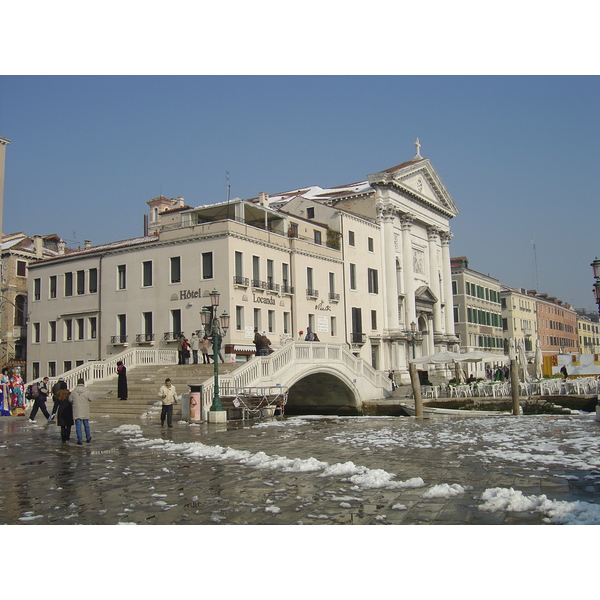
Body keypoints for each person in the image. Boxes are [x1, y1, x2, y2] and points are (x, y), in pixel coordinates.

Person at [69, 378, 93, 445]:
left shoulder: (74, 391)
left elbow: (70, 399)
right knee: (86, 424)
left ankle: (79, 439)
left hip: (77, 409)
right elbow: (91, 399)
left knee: (78, 425)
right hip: (84, 409)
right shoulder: (87, 391)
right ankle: (88, 437)